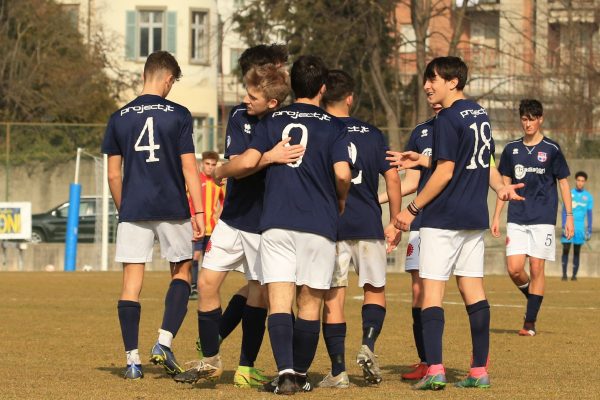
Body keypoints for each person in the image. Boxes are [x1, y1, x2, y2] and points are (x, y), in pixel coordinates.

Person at [214, 55, 351, 395]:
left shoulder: (273, 120)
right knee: (309, 302)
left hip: (276, 222)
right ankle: (302, 375)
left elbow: (246, 161)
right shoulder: (334, 126)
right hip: (319, 223)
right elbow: (344, 174)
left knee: (279, 299)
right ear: (322, 88)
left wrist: (218, 171)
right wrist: (341, 200)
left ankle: (286, 373)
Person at [390, 56, 524, 390]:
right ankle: (479, 371)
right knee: (473, 291)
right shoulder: (479, 113)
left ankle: (435, 369)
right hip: (472, 216)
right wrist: (499, 186)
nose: (426, 85)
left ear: (453, 82)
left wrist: (412, 209)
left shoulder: (446, 118)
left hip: (443, 216)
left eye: (432, 78)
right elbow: (479, 160)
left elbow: (446, 171)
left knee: (432, 292)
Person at [174, 62, 303, 387]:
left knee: (259, 293)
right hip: (232, 219)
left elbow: (240, 165)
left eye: (253, 95)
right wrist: (258, 160)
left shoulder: (282, 124)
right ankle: (212, 360)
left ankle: (246, 367)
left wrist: (225, 170)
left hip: (265, 225)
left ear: (272, 102)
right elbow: (239, 166)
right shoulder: (237, 116)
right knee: (206, 284)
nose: (245, 99)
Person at [101, 51, 205, 379]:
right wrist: (199, 210)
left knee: (131, 282)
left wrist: (124, 206)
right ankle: (163, 341)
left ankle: (132, 361)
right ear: (167, 79)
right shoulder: (178, 115)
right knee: (182, 272)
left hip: (134, 208)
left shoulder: (118, 117)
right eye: (172, 82)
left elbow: (113, 175)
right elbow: (190, 166)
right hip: (171, 206)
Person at [317, 69, 401, 388]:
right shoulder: (373, 133)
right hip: (368, 223)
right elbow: (392, 178)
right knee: (374, 290)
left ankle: (338, 370)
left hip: (331, 226)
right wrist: (395, 220)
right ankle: (368, 344)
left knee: (333, 298)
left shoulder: (320, 131)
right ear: (350, 97)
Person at [491, 99, 574, 336]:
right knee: (514, 269)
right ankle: (533, 297)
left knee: (537, 268)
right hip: (517, 217)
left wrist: (568, 216)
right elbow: (504, 186)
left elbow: (564, 183)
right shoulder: (511, 149)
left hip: (543, 218)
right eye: (524, 119)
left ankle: (530, 323)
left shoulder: (552, 149)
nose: (528, 123)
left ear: (541, 119)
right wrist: (497, 216)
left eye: (532, 119)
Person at [381, 102, 442, 381]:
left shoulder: (460, 127)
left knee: (466, 290)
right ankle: (426, 361)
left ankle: (478, 364)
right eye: (428, 83)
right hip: (420, 223)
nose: (431, 91)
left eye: (436, 82)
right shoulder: (420, 132)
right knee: (418, 292)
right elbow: (411, 183)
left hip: (452, 222)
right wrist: (377, 200)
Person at [188, 151, 225, 300]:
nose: (210, 167)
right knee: (195, 256)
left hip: (212, 228)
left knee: (209, 260)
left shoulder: (219, 184)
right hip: (197, 227)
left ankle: (205, 287)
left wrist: (218, 215)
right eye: (207, 164)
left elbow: (223, 202)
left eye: (213, 165)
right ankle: (193, 287)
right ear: (201, 164)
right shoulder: (195, 180)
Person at [561, 171, 593, 280]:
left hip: (579, 229)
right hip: (569, 226)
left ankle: (574, 276)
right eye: (578, 180)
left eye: (582, 181)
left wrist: (589, 229)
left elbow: (589, 214)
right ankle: (564, 274)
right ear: (575, 180)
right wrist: (563, 225)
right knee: (565, 249)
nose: (580, 183)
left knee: (577, 251)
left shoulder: (588, 197)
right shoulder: (569, 193)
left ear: (585, 182)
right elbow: (564, 210)